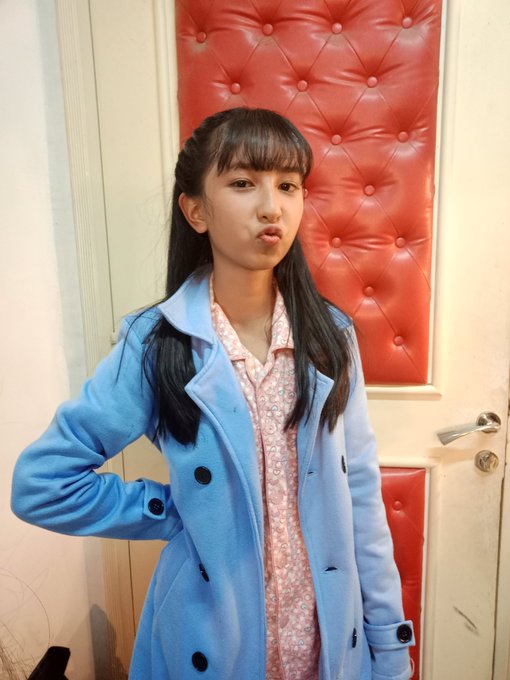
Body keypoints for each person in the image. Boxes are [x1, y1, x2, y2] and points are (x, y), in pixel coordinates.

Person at [11, 107, 414, 679]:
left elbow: (363, 501)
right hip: (211, 640)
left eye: (289, 185)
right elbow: (43, 484)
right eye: (243, 183)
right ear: (196, 210)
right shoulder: (157, 344)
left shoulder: (330, 337)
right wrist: (174, 511)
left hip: (322, 638)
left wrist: (389, 650)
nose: (272, 207)